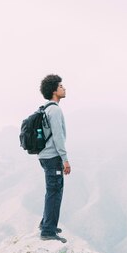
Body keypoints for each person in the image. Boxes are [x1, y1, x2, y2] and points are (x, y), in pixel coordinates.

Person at [38, 74, 71, 243]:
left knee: (51, 191)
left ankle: (46, 223)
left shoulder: (45, 108)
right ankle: (48, 230)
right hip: (53, 157)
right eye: (60, 86)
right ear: (54, 91)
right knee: (55, 192)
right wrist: (65, 159)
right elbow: (58, 137)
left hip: (44, 156)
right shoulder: (55, 110)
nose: (64, 88)